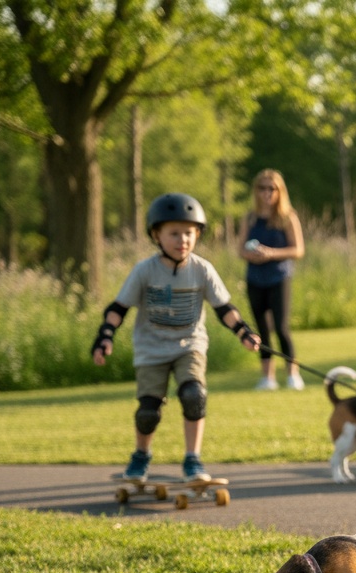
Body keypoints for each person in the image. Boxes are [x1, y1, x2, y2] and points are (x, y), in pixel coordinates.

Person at [91, 193, 260, 483]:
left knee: (194, 396)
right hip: (150, 349)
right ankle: (141, 455)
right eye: (174, 233)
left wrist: (243, 331)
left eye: (189, 233)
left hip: (189, 345)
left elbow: (224, 308)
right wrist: (105, 337)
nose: (182, 239)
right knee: (148, 412)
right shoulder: (145, 270)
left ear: (198, 235)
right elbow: (118, 308)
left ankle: (192, 459)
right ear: (156, 235)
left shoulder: (202, 269)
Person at [238, 169, 306, 391]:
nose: (267, 193)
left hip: (279, 277)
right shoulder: (250, 217)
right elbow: (240, 249)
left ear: (279, 191)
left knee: (281, 327)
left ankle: (292, 374)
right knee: (262, 329)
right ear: (256, 191)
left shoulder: (287, 217)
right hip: (255, 278)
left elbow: (298, 250)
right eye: (262, 188)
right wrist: (253, 255)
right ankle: (268, 377)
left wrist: (270, 254)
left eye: (272, 188)